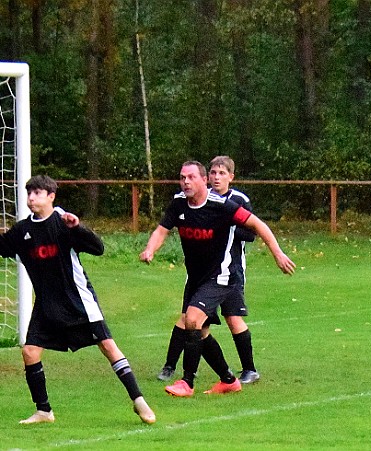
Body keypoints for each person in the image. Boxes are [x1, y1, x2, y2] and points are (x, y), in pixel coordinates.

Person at [0, 175, 155, 425]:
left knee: (108, 346)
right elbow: (3, 247)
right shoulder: (23, 230)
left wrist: (78, 228)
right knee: (29, 352)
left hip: (78, 301)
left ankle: (139, 401)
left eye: (37, 193)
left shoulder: (64, 223)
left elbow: (98, 248)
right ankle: (44, 411)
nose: (31, 198)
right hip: (47, 305)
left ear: (51, 197)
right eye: (29, 193)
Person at [140, 161, 295, 397]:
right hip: (196, 278)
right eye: (182, 177)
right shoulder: (179, 203)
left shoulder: (222, 206)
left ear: (204, 180)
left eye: (191, 177)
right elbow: (162, 229)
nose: (186, 182)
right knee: (200, 331)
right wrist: (151, 249)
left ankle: (187, 382)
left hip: (221, 276)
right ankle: (228, 379)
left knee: (192, 319)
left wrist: (278, 254)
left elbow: (257, 224)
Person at [157, 156, 260, 384]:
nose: (216, 177)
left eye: (221, 173)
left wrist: (223, 228)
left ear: (231, 177)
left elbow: (252, 232)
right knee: (190, 320)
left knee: (232, 318)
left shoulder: (237, 201)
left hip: (229, 271)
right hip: (201, 273)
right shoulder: (191, 201)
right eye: (213, 173)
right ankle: (170, 366)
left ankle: (249, 369)